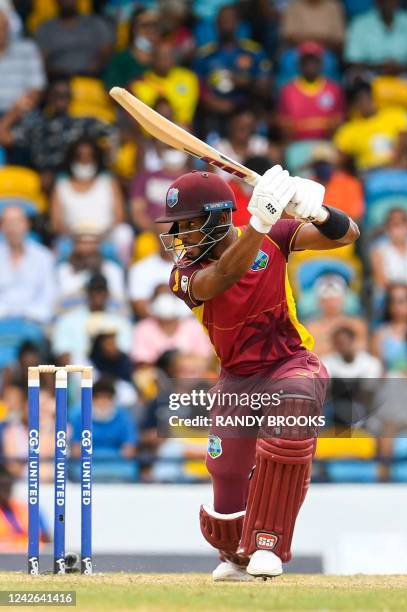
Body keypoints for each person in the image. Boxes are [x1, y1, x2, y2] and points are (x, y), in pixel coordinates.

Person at [155, 166, 359, 579]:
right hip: (237, 377)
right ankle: (235, 555)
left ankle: (268, 541)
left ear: (215, 217)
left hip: (291, 362)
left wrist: (315, 212)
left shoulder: (276, 236)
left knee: (290, 425)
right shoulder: (184, 275)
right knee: (226, 469)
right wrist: (260, 222)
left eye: (188, 225)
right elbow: (223, 277)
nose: (180, 235)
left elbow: (348, 233)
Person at [0, 78, 114, 183]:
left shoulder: (84, 123)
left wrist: (108, 157)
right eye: (56, 94)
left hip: (74, 177)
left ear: (71, 98)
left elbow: (113, 133)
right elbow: (4, 138)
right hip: (44, 178)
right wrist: (15, 111)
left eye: (65, 95)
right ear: (48, 97)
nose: (61, 99)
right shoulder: (36, 125)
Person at [194, 4, 272, 134]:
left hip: (248, 112)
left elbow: (265, 87)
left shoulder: (254, 52)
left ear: (238, 23)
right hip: (215, 115)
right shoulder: (205, 55)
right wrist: (215, 103)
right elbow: (198, 87)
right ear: (216, 24)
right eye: (223, 21)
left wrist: (246, 82)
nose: (227, 25)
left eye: (230, 20)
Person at [51, 273, 132, 366]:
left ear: (107, 294)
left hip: (110, 373)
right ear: (87, 292)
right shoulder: (68, 321)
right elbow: (62, 354)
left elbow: (124, 354)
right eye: (94, 290)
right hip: (79, 371)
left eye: (101, 290)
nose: (98, 294)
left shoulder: (121, 322)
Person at [70, 376, 138, 482]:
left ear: (113, 399)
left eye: (107, 398)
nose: (103, 402)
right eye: (99, 398)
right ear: (92, 399)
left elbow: (129, 450)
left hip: (118, 465)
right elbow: (76, 451)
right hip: (86, 464)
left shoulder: (124, 416)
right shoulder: (78, 416)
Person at [334, 80, 407, 171]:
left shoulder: (395, 115)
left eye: (363, 98)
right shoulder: (348, 129)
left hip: (396, 169)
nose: (360, 104)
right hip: (367, 173)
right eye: (356, 101)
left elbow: (404, 138)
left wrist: (395, 162)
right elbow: (339, 159)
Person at [278, 41, 345, 142]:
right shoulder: (287, 90)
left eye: (314, 61)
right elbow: (284, 123)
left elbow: (338, 120)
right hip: (297, 145)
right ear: (299, 64)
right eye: (306, 61)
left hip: (326, 144)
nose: (310, 65)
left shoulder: (334, 89)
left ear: (321, 63)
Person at [0, 206, 55, 324]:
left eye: (16, 222)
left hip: (35, 321)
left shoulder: (43, 256)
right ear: (2, 227)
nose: (12, 228)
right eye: (8, 223)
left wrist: (29, 316)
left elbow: (49, 294)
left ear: (26, 225)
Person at [35, 0, 114, 78]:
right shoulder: (46, 28)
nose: (67, 2)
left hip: (92, 77)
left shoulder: (95, 23)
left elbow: (107, 48)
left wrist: (96, 65)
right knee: (60, 89)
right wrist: (58, 73)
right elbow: (41, 60)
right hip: (57, 79)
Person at [130, 40, 199, 127]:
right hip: (150, 135)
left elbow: (186, 116)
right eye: (162, 56)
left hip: (181, 132)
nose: (166, 59)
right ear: (153, 58)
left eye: (169, 55)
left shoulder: (188, 78)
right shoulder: (139, 84)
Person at [131, 290, 212, 364]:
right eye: (160, 296)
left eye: (169, 295)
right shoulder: (143, 328)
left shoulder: (194, 326)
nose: (165, 300)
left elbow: (205, 357)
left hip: (192, 375)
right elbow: (141, 361)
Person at [56, 227, 126, 311]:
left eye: (92, 243)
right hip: (71, 317)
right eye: (82, 243)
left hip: (107, 317)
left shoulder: (113, 269)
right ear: (74, 245)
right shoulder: (63, 270)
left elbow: (119, 301)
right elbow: (59, 301)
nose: (87, 247)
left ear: (100, 245)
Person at [307, 275, 367, 356]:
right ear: (319, 302)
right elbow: (311, 354)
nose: (331, 304)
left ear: (343, 299)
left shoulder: (357, 325)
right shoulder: (312, 328)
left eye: (335, 299)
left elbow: (362, 351)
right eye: (327, 300)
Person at [0, 9, 46, 115]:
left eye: (2, 27)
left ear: (8, 28)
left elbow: (36, 90)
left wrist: (5, 125)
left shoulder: (28, 49)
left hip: (21, 115)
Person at [103, 7, 159, 91]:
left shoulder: (164, 59)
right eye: (145, 25)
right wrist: (132, 86)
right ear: (134, 29)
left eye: (154, 25)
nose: (151, 30)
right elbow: (111, 92)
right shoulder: (120, 59)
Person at [345, 0, 407, 73]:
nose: (389, 3)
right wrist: (381, 67)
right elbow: (352, 61)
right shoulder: (360, 24)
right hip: (371, 77)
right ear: (377, 1)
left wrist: (398, 67)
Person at [281, 0, 345, 52]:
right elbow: (290, 36)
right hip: (298, 50)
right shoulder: (294, 6)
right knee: (289, 62)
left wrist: (307, 38)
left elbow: (338, 39)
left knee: (329, 62)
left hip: (325, 51)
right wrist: (322, 38)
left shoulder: (333, 7)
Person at [371, 283, 407, 373]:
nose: (396, 306)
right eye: (392, 301)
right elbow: (377, 369)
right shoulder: (380, 333)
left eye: (401, 301)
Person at [371, 208, 407, 289]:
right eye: (394, 225)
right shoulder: (378, 250)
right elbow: (381, 281)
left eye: (402, 224)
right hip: (389, 296)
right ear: (387, 228)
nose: (398, 230)